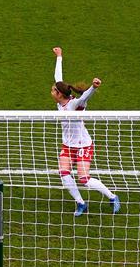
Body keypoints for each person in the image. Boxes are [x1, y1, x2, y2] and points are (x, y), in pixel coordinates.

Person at [51, 47, 121, 216]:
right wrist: (59, 56)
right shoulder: (61, 102)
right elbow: (58, 78)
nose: (51, 91)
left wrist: (93, 87)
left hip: (83, 145)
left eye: (54, 90)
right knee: (64, 173)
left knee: (84, 179)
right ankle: (81, 203)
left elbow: (84, 98)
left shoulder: (74, 105)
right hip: (68, 145)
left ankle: (112, 197)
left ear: (59, 94)